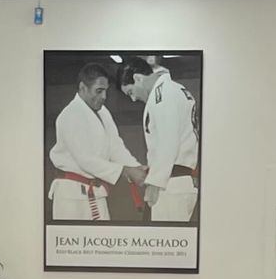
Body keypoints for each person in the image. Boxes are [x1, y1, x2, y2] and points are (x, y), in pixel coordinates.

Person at [49, 60, 135, 221]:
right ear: (82, 88)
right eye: (99, 91)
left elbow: (115, 146)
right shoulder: (70, 115)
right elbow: (85, 160)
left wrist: (135, 167)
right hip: (71, 196)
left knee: (102, 241)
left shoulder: (103, 113)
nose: (104, 97)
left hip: (96, 192)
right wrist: (125, 171)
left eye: (106, 91)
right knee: (73, 243)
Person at [121, 55, 199, 222]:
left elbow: (168, 140)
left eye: (130, 92)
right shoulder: (176, 89)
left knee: (165, 244)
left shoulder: (162, 94)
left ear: (138, 78)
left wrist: (156, 182)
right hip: (177, 181)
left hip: (170, 185)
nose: (133, 99)